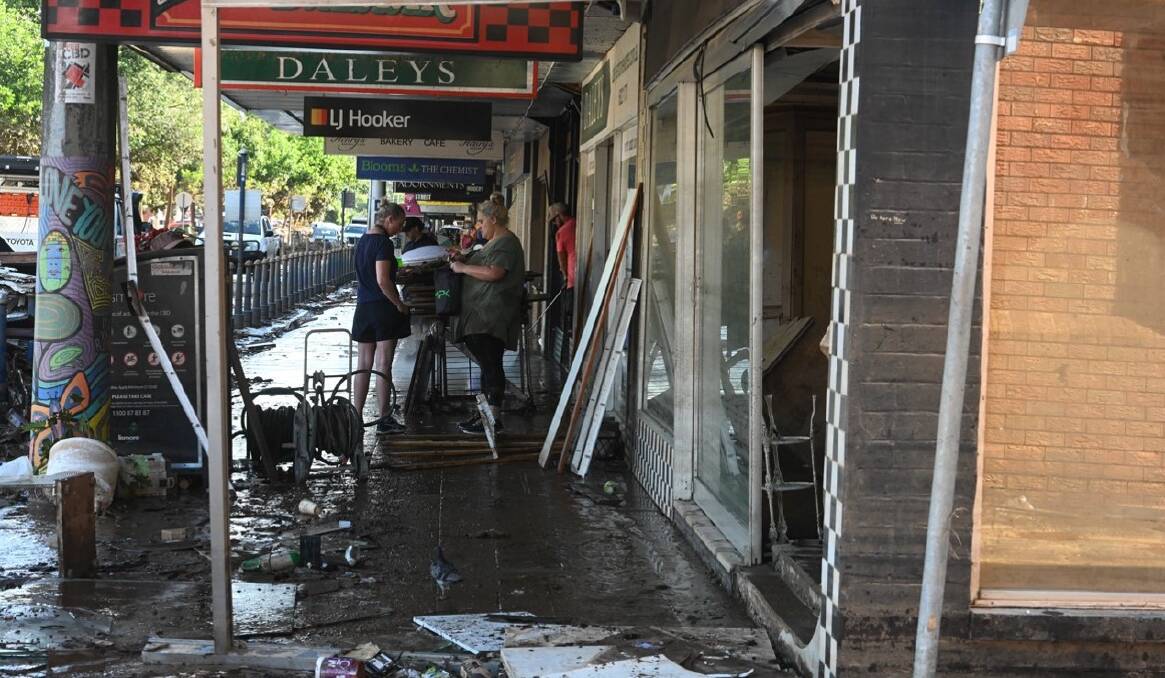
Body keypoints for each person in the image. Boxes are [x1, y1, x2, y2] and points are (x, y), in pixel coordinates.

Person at [450, 199, 526, 434]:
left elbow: (495, 272)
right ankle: (485, 415)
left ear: (494, 219)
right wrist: (462, 257)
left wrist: (463, 269)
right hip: (480, 315)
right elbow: (483, 262)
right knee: (487, 364)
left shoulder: (507, 243)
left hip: (491, 316)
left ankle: (493, 418)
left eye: (482, 222)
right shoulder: (493, 242)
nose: (479, 227)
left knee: (491, 364)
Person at [351, 202, 410, 434]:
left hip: (363, 308)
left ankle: (356, 417)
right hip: (382, 309)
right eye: (400, 223)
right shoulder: (383, 243)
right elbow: (383, 281)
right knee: (383, 364)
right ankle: (384, 418)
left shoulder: (362, 241)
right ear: (390, 220)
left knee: (363, 365)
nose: (401, 228)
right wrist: (400, 304)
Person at [549, 202, 577, 319]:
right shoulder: (577, 223)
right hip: (585, 274)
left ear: (559, 215)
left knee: (570, 312)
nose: (555, 223)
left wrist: (565, 275)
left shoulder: (561, 233)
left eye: (554, 220)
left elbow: (561, 258)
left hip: (572, 277)